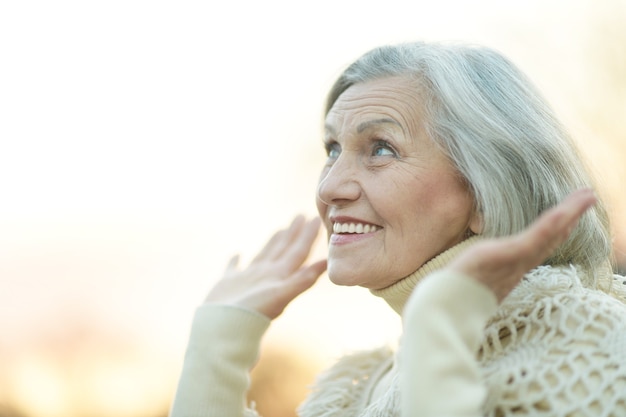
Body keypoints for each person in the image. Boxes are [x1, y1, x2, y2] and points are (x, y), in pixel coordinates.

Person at [169, 42, 626, 416]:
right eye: (332, 148)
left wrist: (439, 322)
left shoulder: (590, 336)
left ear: (485, 193)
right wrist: (216, 352)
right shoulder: (357, 391)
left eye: (381, 149)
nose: (330, 187)